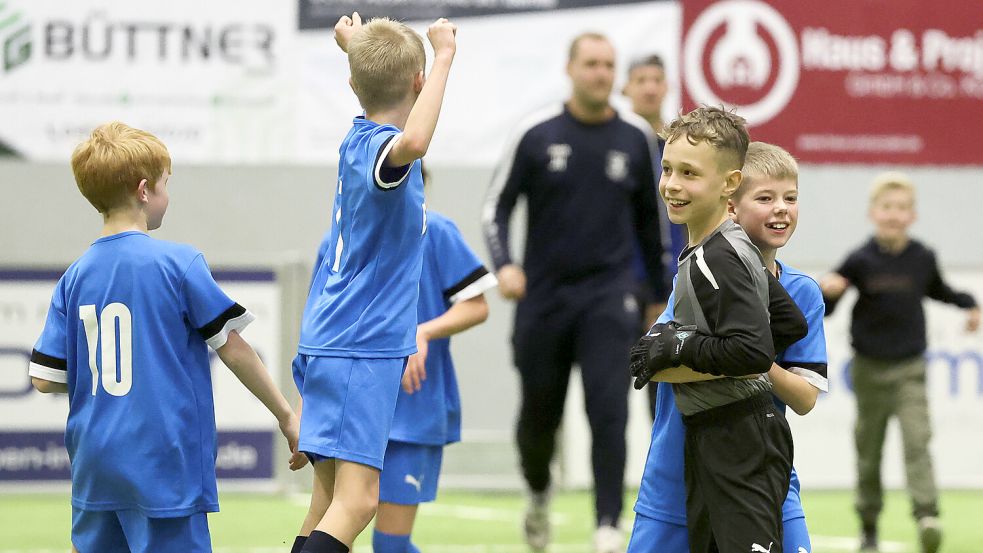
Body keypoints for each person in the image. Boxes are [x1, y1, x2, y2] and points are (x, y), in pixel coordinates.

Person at [27, 121, 303, 553]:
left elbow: (45, 379)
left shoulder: (74, 277)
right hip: (164, 464)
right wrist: (286, 414)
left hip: (95, 464)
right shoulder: (180, 263)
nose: (166, 196)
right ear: (144, 190)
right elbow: (233, 349)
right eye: (164, 185)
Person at [481, 32, 669, 552]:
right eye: (591, 64)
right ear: (570, 68)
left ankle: (608, 525)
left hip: (610, 298)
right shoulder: (536, 133)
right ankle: (539, 494)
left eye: (608, 65)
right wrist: (506, 266)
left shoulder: (636, 137)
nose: (601, 74)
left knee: (609, 409)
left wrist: (657, 298)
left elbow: (653, 228)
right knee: (539, 419)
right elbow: (495, 207)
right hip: (542, 299)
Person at [289, 13, 457, 553]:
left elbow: (376, 86)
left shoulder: (356, 137)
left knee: (326, 501)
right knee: (359, 502)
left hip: (331, 338)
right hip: (360, 344)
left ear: (352, 84)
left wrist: (354, 51)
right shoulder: (385, 150)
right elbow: (415, 139)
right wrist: (445, 59)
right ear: (417, 82)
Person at [626, 141, 828, 553]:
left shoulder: (801, 291)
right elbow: (653, 363)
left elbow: (805, 397)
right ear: (731, 204)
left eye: (791, 198)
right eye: (766, 198)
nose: (781, 209)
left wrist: (750, 355)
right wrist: (742, 353)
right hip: (674, 477)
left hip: (763, 479)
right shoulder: (701, 271)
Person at [820, 172, 980, 553]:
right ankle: (869, 527)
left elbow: (940, 290)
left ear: (913, 215)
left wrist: (969, 304)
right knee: (869, 451)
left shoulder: (922, 258)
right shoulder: (859, 259)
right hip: (869, 370)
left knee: (917, 443)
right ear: (874, 213)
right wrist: (828, 291)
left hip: (910, 369)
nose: (894, 215)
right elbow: (828, 307)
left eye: (902, 209)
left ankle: (927, 515)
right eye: (887, 208)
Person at [622, 53, 687, 416]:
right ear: (626, 88)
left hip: (672, 286)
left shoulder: (680, 149)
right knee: (610, 389)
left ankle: (664, 472)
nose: (649, 87)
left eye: (656, 80)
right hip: (619, 283)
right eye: (640, 79)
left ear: (666, 87)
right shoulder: (613, 144)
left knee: (664, 391)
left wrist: (668, 287)